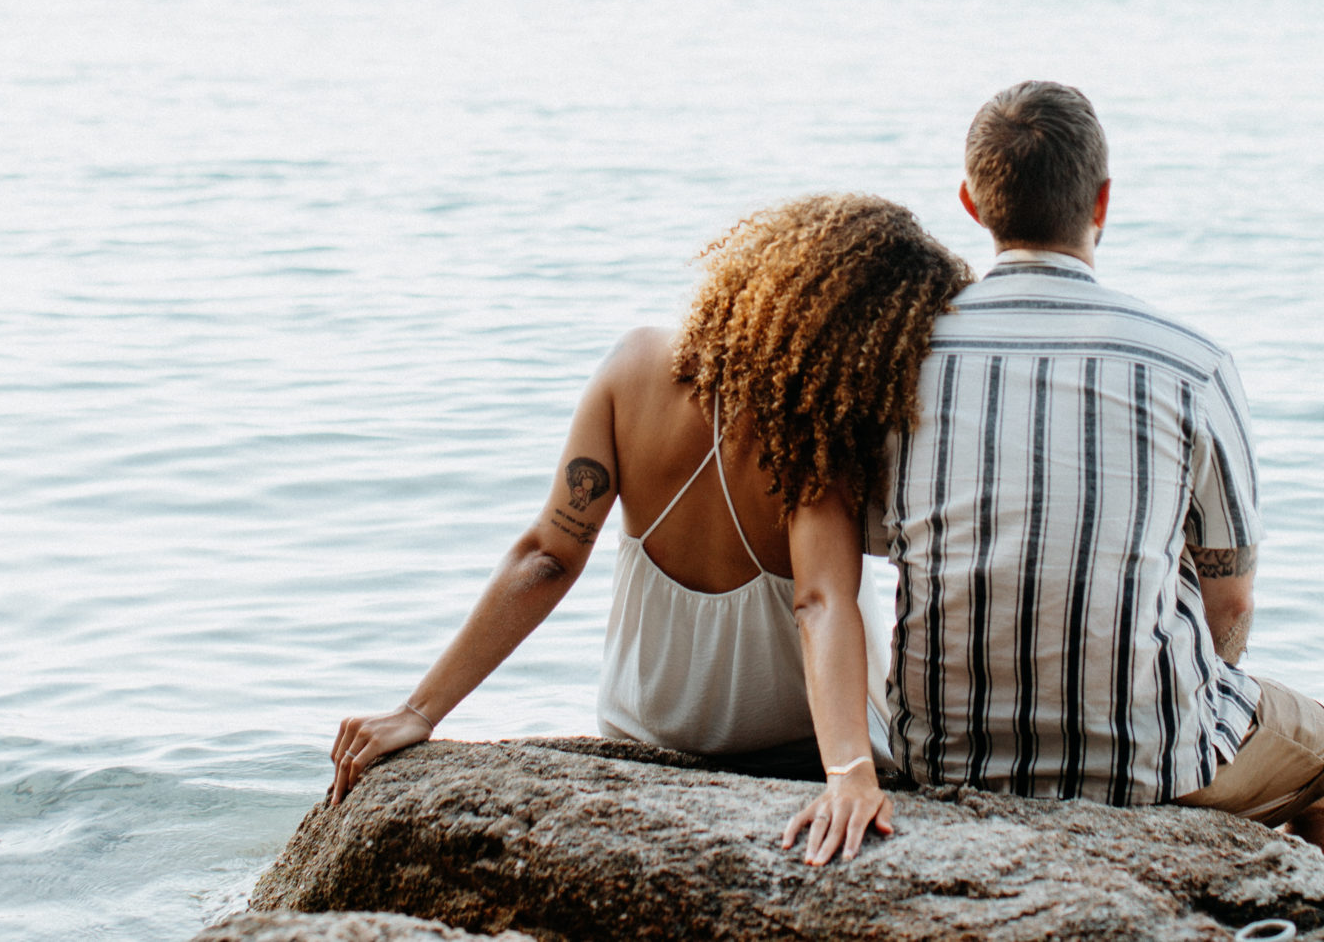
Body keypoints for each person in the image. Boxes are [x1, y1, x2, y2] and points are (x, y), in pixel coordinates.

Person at [326, 192, 971, 866]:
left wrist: (419, 711)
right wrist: (850, 773)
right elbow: (821, 601)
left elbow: (545, 557)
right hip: (799, 747)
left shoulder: (633, 366)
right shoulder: (810, 439)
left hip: (644, 733)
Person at [883, 81, 1324, 858]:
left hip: (941, 753)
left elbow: (882, 544)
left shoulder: (903, 358)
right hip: (1140, 763)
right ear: (1102, 200)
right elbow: (1230, 595)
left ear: (972, 205)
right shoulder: (1189, 362)